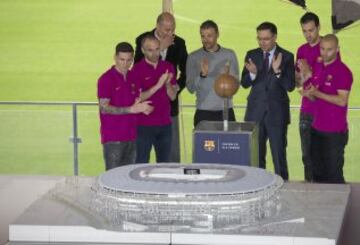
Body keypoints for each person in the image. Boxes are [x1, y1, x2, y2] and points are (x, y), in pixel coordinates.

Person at [241, 22, 295, 180]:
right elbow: (244, 83)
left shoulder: (287, 56)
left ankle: (283, 191)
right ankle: (258, 190)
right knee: (256, 159)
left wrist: (278, 71)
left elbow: (290, 86)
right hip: (255, 115)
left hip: (277, 115)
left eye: (266, 39)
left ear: (275, 37)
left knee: (279, 158)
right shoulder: (252, 54)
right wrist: (252, 74)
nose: (262, 42)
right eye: (259, 38)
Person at [135, 12, 188, 163]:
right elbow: (138, 67)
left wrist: (176, 87)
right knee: (141, 159)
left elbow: (186, 70)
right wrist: (162, 49)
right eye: (166, 29)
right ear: (157, 26)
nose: (170, 33)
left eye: (172, 29)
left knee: (170, 158)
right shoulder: (142, 39)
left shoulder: (179, 43)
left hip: (168, 110)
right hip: (145, 113)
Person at [97, 42, 153, 170]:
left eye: (129, 60)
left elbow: (136, 98)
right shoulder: (106, 79)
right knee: (113, 179)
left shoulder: (133, 76)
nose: (125, 64)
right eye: (122, 59)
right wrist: (131, 109)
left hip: (132, 136)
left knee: (127, 178)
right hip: (113, 138)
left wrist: (143, 107)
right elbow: (104, 108)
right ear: (115, 57)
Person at [306, 34, 353, 184]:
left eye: (329, 50)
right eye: (322, 49)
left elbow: (342, 100)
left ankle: (340, 207)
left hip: (334, 132)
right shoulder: (319, 66)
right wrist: (310, 93)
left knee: (333, 176)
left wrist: (317, 93)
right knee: (317, 173)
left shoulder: (343, 71)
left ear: (337, 49)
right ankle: (321, 207)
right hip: (316, 127)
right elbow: (316, 97)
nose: (324, 53)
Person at [132, 34, 178, 163]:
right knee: (141, 163)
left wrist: (168, 83)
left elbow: (173, 96)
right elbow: (138, 98)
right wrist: (158, 85)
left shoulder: (168, 66)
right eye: (150, 50)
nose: (155, 53)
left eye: (157, 49)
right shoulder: (136, 70)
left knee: (164, 165)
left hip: (165, 125)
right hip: (144, 126)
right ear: (143, 50)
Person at [186, 20, 239, 127]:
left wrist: (228, 79)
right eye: (203, 36)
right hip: (203, 112)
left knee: (228, 144)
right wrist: (202, 75)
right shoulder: (193, 57)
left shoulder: (229, 54)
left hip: (226, 111)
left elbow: (237, 84)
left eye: (209, 36)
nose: (206, 40)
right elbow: (190, 88)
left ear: (217, 34)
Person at [295, 12, 322, 182]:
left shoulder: (328, 46)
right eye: (304, 31)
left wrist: (309, 72)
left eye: (311, 30)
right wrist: (299, 77)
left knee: (325, 157)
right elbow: (298, 82)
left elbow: (331, 78)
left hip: (324, 110)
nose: (308, 34)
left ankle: (327, 195)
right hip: (306, 110)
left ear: (319, 27)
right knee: (307, 157)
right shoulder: (301, 50)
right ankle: (310, 191)